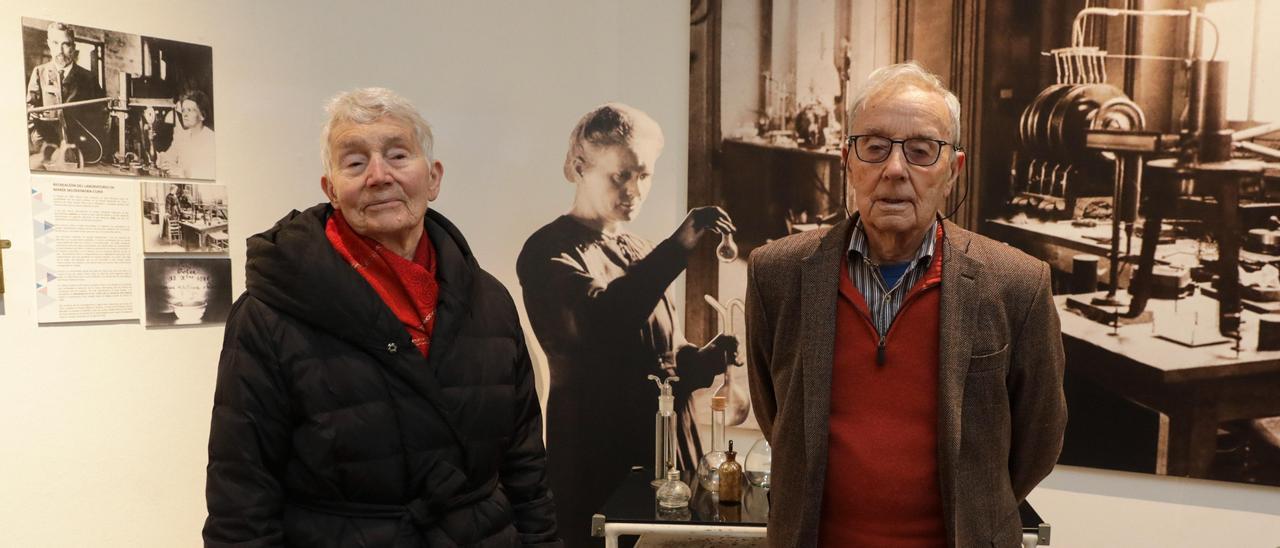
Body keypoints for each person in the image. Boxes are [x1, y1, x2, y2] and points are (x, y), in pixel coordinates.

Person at [204, 87, 560, 547]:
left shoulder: (489, 300)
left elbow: (525, 466)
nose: (378, 175)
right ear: (331, 189)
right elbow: (241, 496)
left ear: (433, 178)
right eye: (354, 163)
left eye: (397, 155)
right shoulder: (270, 314)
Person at [745, 62, 1067, 548]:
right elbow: (780, 420)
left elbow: (1038, 442)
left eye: (921, 151)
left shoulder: (1016, 284)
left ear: (953, 170)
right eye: (874, 147)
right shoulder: (778, 274)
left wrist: (978, 507)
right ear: (847, 161)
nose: (894, 170)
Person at [517, 103, 738, 547]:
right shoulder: (547, 251)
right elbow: (599, 327)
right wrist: (679, 247)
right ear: (580, 167)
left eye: (644, 175)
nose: (634, 190)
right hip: (598, 458)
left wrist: (703, 358)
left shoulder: (640, 248)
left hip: (665, 452)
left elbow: (660, 356)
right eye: (621, 175)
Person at [27, 21, 106, 169]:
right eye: (56, 43)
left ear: (73, 47)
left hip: (83, 151)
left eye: (66, 44)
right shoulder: (39, 72)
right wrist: (38, 140)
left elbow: (101, 114)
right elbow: (30, 111)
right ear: (49, 44)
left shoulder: (88, 78)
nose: (60, 50)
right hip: (46, 149)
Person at [158, 90, 216, 179]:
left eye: (190, 110)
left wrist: (181, 171)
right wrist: (163, 160)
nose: (184, 114)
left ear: (202, 115)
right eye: (183, 110)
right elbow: (170, 156)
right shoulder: (182, 137)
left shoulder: (211, 139)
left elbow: (209, 173)